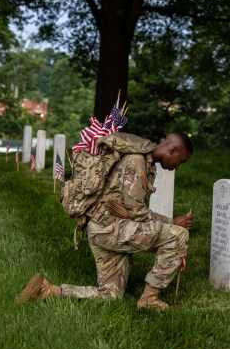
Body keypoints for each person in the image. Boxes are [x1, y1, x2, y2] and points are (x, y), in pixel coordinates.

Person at [18, 132, 194, 311]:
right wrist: (171, 222)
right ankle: (149, 298)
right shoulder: (137, 161)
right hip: (112, 230)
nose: (177, 167)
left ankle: (47, 291)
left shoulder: (141, 160)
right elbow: (137, 213)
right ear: (172, 150)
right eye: (181, 161)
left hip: (101, 229)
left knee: (110, 295)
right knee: (177, 236)